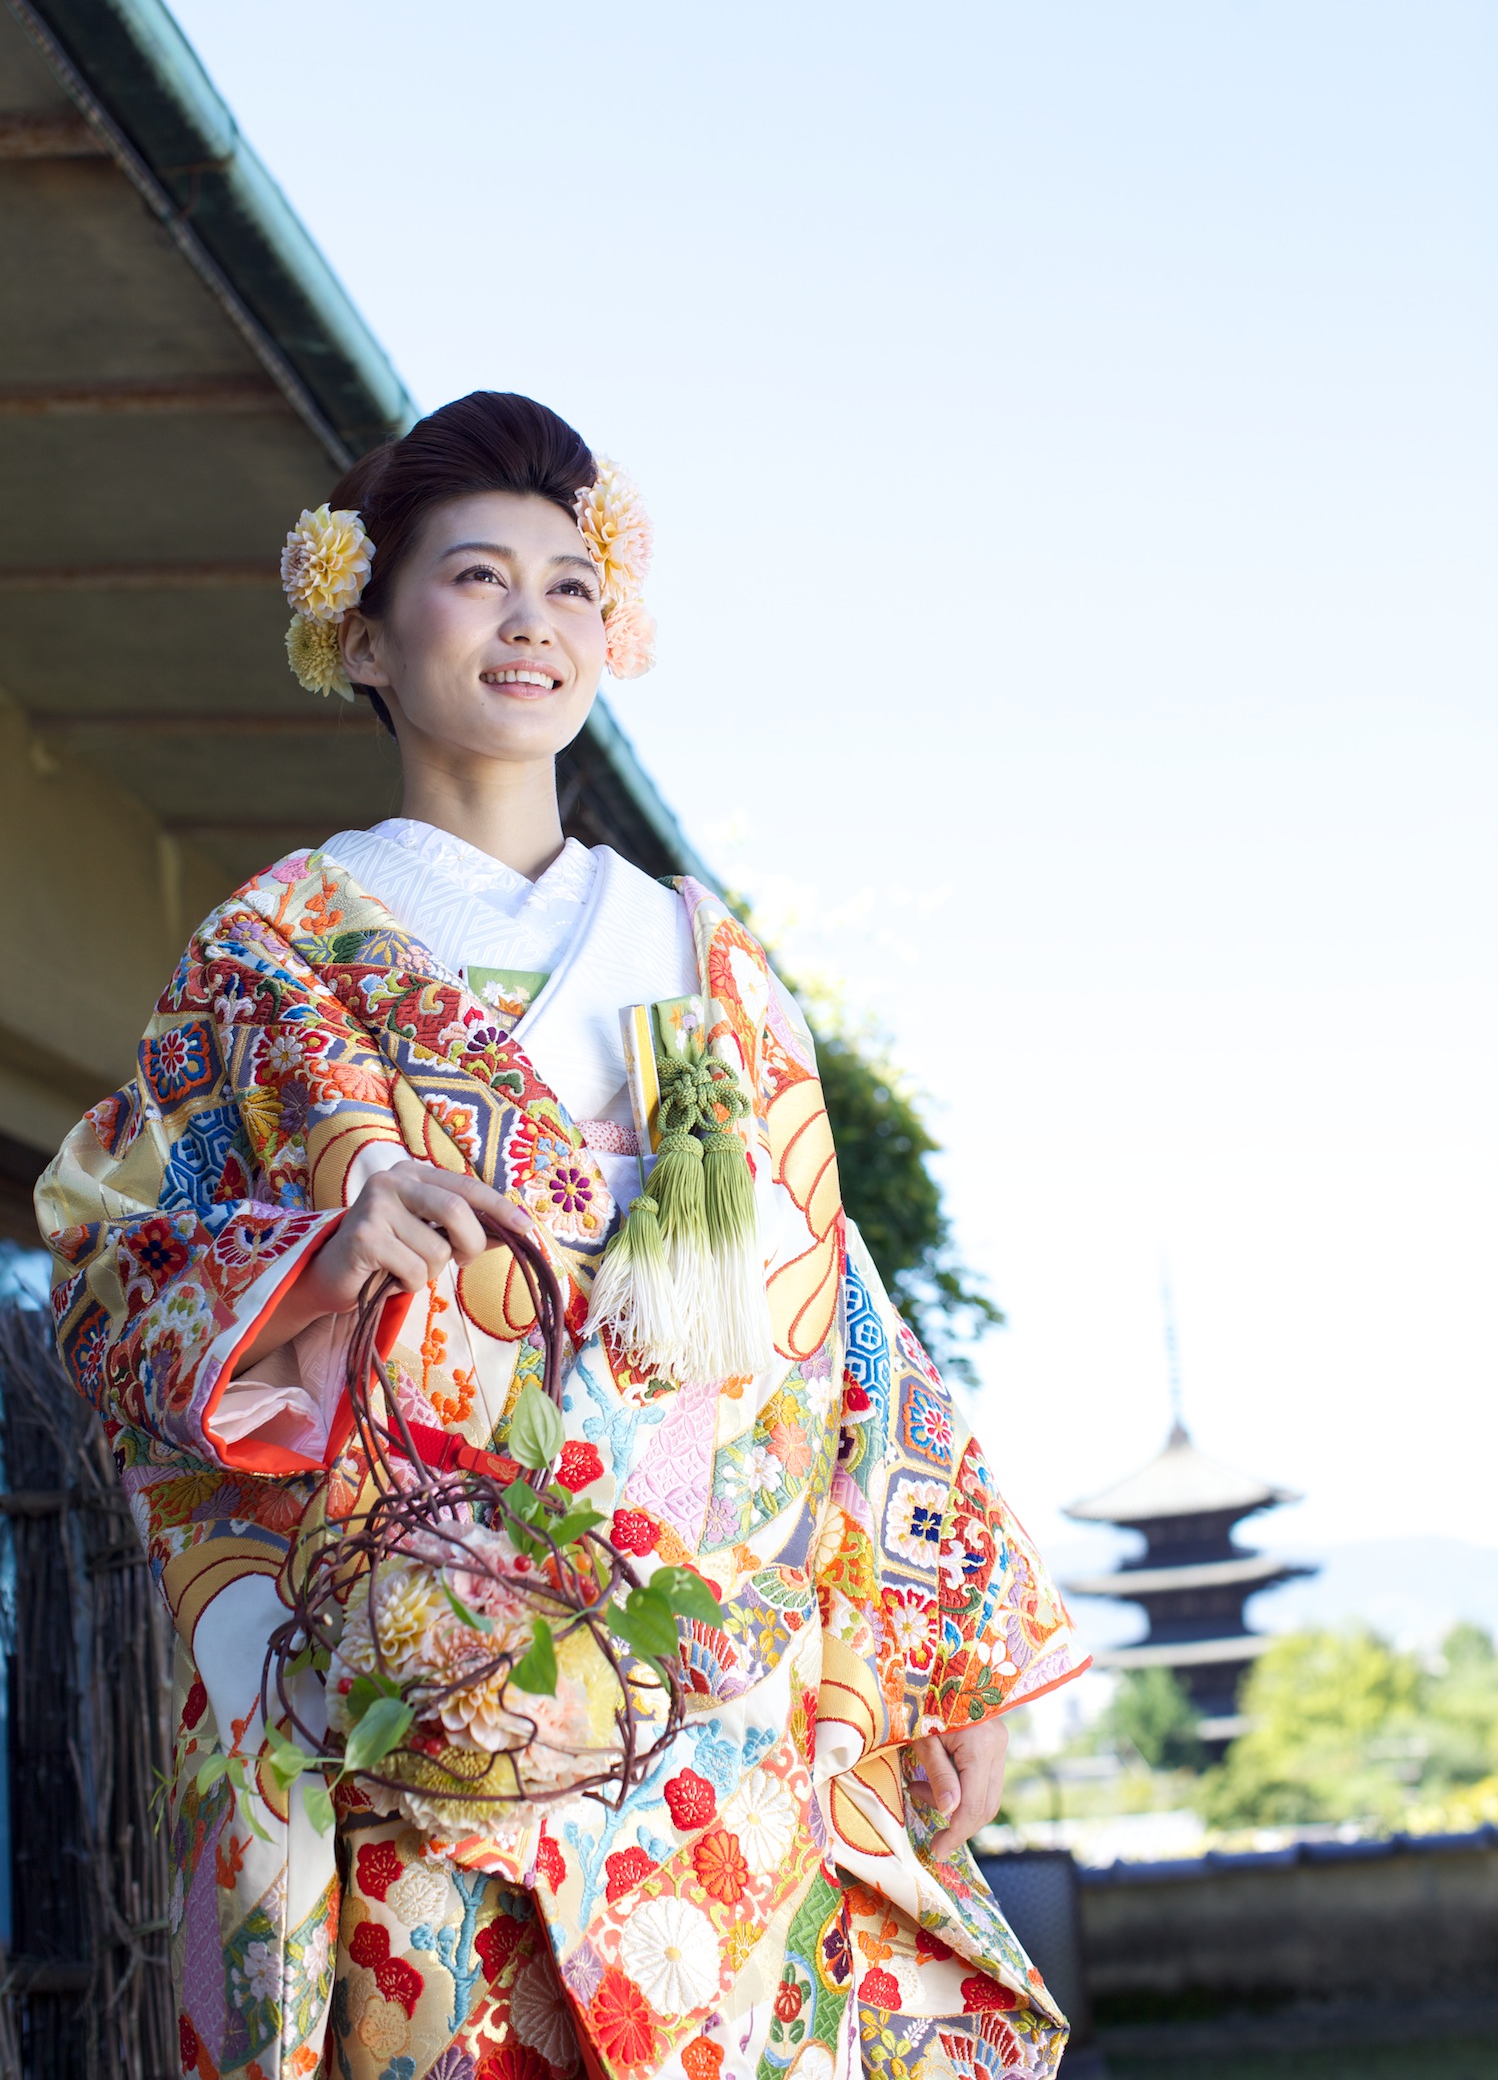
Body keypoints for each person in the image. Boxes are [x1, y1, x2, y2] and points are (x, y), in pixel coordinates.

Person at [36, 392, 1090, 2080]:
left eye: (570, 585)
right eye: (474, 577)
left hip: (713, 1700)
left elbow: (842, 1329)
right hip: (413, 1686)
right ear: (363, 636)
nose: (533, 620)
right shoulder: (273, 955)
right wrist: (315, 1247)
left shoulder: (706, 957)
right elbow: (108, 1271)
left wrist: (927, 1654)